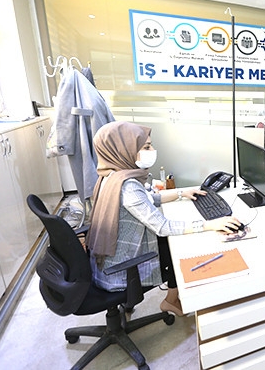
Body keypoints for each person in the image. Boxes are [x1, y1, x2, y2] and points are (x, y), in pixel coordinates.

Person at [86, 121, 241, 316]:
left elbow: (149, 198)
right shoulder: (128, 186)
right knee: (179, 252)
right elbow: (163, 227)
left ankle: (172, 298)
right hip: (120, 270)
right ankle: (171, 300)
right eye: (146, 147)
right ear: (124, 149)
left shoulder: (112, 175)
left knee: (173, 244)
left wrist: (182, 193)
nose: (153, 151)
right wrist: (210, 224)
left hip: (108, 261)